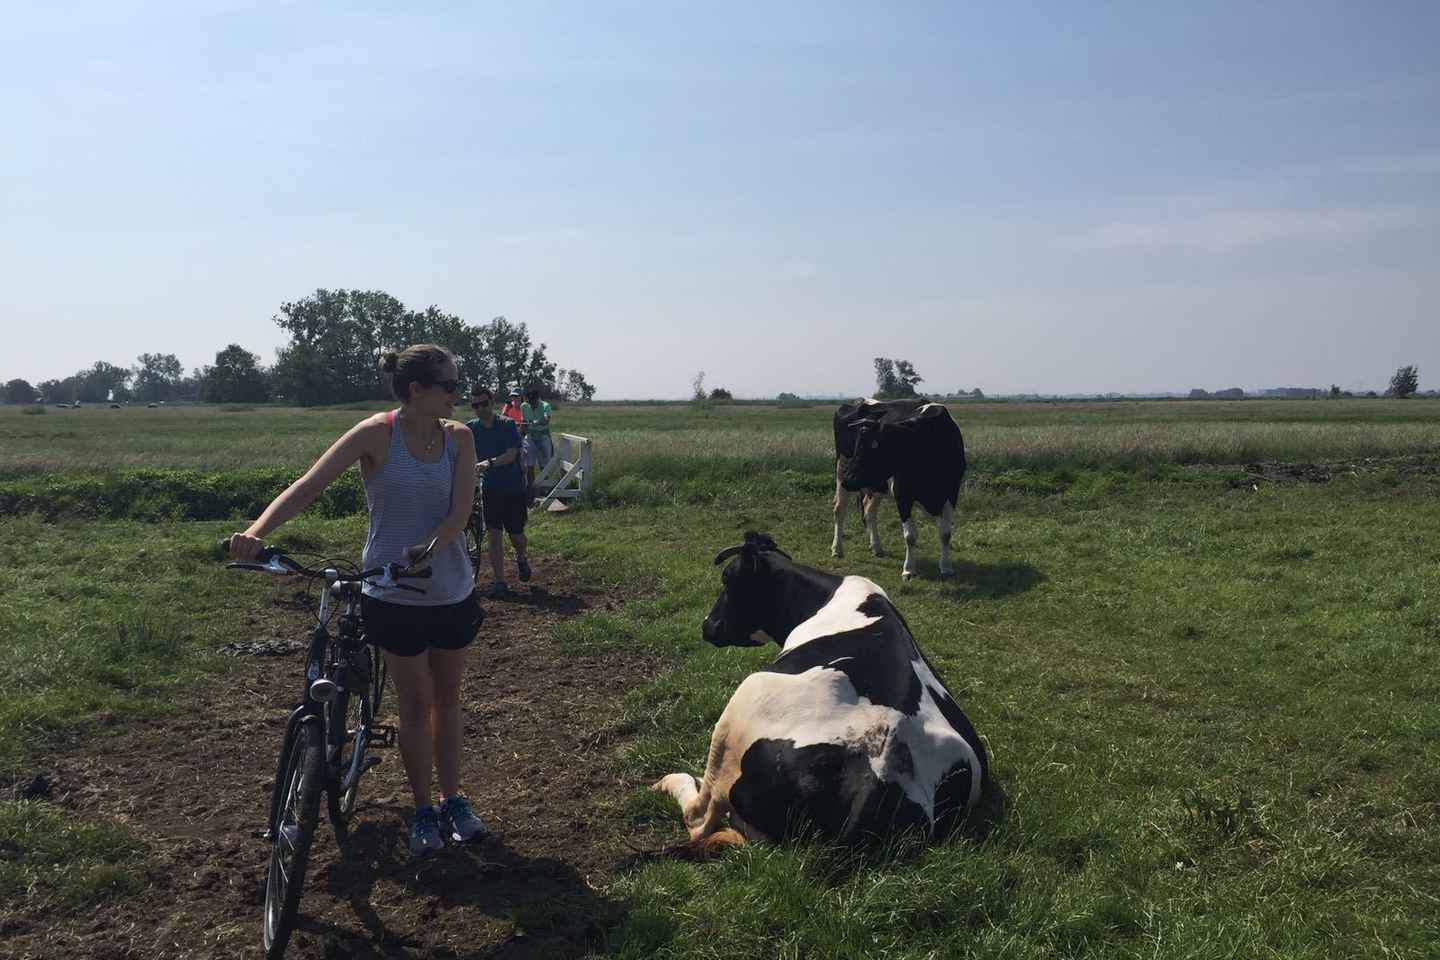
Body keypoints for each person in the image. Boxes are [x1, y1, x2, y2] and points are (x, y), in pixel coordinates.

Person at [226, 344, 489, 857]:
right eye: (451, 386)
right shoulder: (376, 433)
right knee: (413, 704)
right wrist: (254, 533)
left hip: (451, 590)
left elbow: (460, 513)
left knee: (448, 699)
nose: (458, 395)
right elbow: (309, 486)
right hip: (390, 594)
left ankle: (453, 798)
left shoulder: (460, 438)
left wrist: (432, 547)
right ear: (417, 391)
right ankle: (422, 809)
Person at [466, 385, 532, 596]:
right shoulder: (471, 428)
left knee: (516, 536)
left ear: (492, 402)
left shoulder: (507, 425)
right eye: (475, 405)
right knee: (494, 534)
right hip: (490, 489)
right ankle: (500, 582)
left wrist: (488, 463)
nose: (480, 408)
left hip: (513, 488)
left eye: (484, 404)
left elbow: (511, 454)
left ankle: (521, 557)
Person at [521, 386, 554, 493]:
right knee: (529, 464)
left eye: (534, 402)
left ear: (538, 399)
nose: (532, 405)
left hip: (543, 437)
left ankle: (546, 489)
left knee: (544, 465)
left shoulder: (545, 406)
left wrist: (537, 422)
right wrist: (522, 428)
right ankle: (532, 489)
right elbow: (523, 422)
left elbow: (546, 419)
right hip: (530, 437)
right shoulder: (524, 406)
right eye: (530, 402)